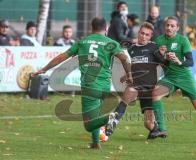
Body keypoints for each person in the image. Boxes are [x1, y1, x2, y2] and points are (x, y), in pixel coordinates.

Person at [33, 17, 133, 149]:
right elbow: (125, 58)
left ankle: (109, 118)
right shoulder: (111, 43)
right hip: (105, 86)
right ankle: (96, 143)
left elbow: (62, 57)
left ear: (91, 28)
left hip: (90, 87)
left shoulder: (82, 42)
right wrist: (129, 75)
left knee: (88, 125)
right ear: (106, 29)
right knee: (95, 115)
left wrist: (44, 69)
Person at [105, 22, 167, 139]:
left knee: (148, 124)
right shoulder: (132, 49)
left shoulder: (154, 47)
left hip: (150, 88)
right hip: (136, 84)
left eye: (147, 35)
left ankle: (155, 130)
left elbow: (163, 63)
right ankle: (111, 125)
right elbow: (134, 65)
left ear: (150, 36)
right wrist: (126, 75)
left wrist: (162, 55)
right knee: (125, 99)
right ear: (138, 33)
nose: (144, 36)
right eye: (142, 33)